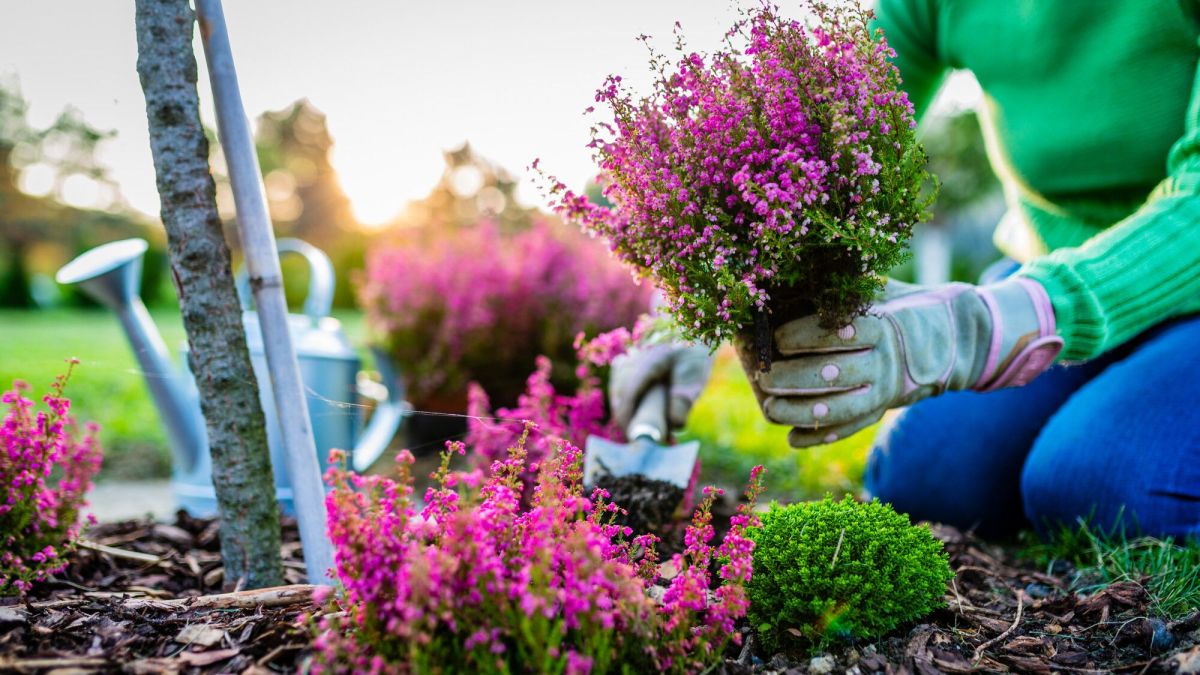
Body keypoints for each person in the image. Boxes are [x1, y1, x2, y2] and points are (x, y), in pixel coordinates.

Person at [611, 0, 1200, 538]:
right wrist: (689, 309)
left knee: (1095, 483)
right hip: (1045, 267)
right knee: (926, 479)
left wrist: (977, 327)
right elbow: (814, 141)